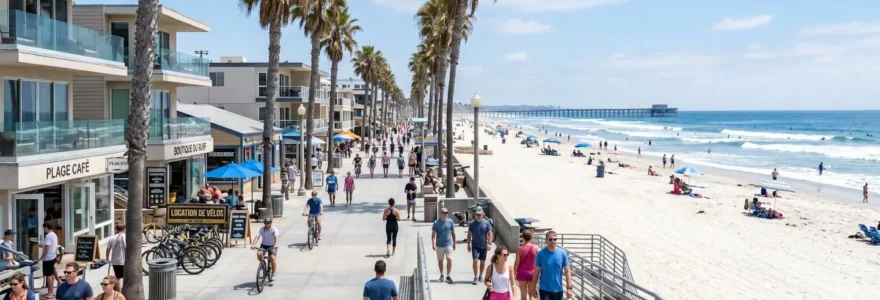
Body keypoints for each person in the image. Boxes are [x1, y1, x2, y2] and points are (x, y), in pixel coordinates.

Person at [530, 231, 572, 300]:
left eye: (555, 239)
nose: (553, 241)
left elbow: (567, 271)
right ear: (546, 240)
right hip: (544, 290)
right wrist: (533, 289)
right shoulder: (540, 254)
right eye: (550, 239)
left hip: (558, 290)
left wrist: (569, 288)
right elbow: (536, 273)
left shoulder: (563, 253)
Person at [468, 208, 494, 284]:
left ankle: (480, 275)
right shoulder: (472, 223)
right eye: (477, 215)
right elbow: (469, 234)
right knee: (475, 260)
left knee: (482, 262)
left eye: (479, 215)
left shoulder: (487, 223)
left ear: (483, 215)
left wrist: (489, 243)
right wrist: (468, 245)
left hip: (483, 245)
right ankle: (475, 277)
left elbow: (490, 233)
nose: (478, 216)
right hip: (475, 245)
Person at [432, 207, 456, 284]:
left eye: (446, 213)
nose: (445, 214)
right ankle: (442, 274)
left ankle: (448, 275)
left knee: (449, 259)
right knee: (440, 261)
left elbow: (453, 233)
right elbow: (433, 234)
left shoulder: (450, 222)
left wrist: (454, 243)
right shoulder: (436, 223)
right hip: (439, 245)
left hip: (448, 244)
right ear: (441, 213)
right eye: (443, 213)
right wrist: (433, 243)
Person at [514, 230, 537, 300]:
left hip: (522, 273)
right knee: (531, 294)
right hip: (532, 273)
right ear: (531, 237)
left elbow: (517, 262)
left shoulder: (519, 249)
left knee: (523, 293)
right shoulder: (535, 248)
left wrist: (514, 272)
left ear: (523, 237)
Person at [40, 224, 59, 299]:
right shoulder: (54, 234)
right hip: (53, 256)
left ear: (46, 228)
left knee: (49, 276)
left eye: (44, 228)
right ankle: (51, 291)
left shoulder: (48, 236)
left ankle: (50, 293)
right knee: (51, 273)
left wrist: (42, 257)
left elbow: (47, 248)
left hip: (48, 258)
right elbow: (51, 245)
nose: (44, 230)